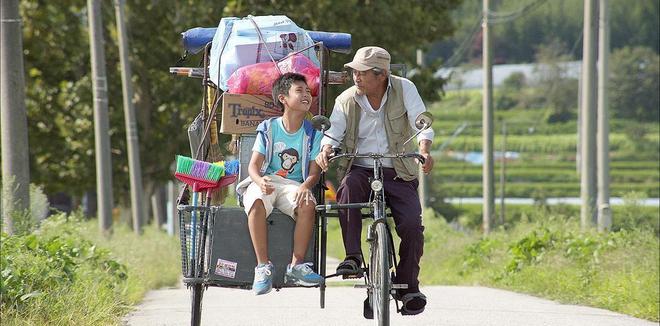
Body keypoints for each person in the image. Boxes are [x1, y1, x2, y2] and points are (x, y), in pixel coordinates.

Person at [315, 46, 434, 315]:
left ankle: (409, 287)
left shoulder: (405, 89)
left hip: (399, 169)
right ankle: (353, 257)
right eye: (354, 71)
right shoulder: (347, 99)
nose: (356, 76)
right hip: (360, 167)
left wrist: (424, 149)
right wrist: (326, 150)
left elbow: (422, 123)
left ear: (381, 75)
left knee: (413, 225)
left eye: (362, 72)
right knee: (347, 191)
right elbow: (333, 131)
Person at [237, 72, 324, 295]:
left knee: (307, 204)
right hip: (267, 180)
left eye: (308, 92)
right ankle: (263, 266)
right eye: (299, 91)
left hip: (294, 185)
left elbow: (314, 172)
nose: (306, 95)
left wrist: (306, 186)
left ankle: (296, 266)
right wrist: (259, 181)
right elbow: (253, 167)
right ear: (283, 98)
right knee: (256, 200)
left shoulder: (312, 134)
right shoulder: (269, 128)